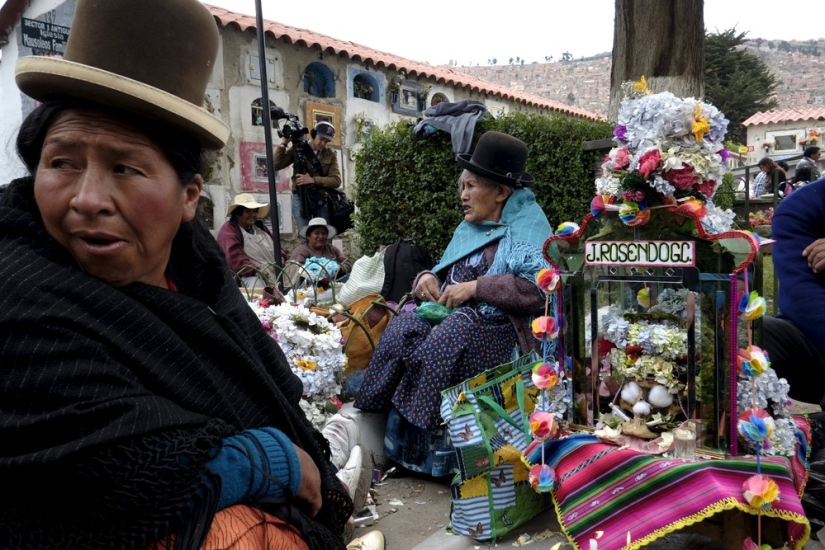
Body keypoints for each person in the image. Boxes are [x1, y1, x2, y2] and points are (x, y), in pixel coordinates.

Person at [0, 1, 383, 549]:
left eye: (125, 168)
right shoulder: (18, 295)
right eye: (62, 162)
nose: (86, 200)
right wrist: (260, 459)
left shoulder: (196, 269)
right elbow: (100, 474)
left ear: (187, 196)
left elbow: (257, 384)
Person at [355, 131, 552, 432]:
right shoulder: (470, 227)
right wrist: (427, 278)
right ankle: (373, 412)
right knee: (405, 327)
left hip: (500, 331)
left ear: (500, 192)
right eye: (462, 186)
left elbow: (538, 290)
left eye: (471, 186)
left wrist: (476, 288)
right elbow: (446, 270)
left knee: (454, 332)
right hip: (452, 320)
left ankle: (422, 430)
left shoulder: (528, 228)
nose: (462, 195)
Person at [273, 121, 342, 233]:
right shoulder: (298, 148)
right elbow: (276, 165)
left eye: (327, 141)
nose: (323, 143)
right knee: (306, 236)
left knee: (324, 236)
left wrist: (312, 180)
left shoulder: (330, 154)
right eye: (322, 138)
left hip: (320, 198)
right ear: (313, 134)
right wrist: (284, 143)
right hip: (300, 197)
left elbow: (336, 180)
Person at [217, 193, 286, 288]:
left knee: (299, 270)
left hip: (273, 271)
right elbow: (234, 259)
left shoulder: (260, 227)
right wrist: (255, 270)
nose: (253, 215)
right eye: (248, 211)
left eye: (255, 211)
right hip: (247, 276)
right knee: (258, 283)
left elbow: (278, 246)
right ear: (237, 213)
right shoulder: (229, 230)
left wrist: (281, 257)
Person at [285, 217, 352, 287]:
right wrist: (317, 272)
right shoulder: (301, 251)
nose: (321, 236)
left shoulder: (332, 249)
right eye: (316, 233)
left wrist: (338, 270)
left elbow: (347, 263)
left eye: (324, 233)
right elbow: (297, 271)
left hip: (334, 286)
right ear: (308, 236)